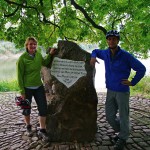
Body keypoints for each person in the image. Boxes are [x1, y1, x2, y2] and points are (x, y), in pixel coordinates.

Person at [90, 30, 146, 150]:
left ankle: (123, 138)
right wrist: (93, 57)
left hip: (122, 91)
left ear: (118, 40)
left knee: (123, 116)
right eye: (109, 39)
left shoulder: (126, 56)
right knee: (110, 116)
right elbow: (94, 51)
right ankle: (122, 132)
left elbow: (141, 68)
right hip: (110, 90)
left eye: (114, 39)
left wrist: (133, 82)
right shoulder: (105, 53)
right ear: (107, 41)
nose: (111, 41)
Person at [16, 37, 56, 141]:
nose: (33, 46)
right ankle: (28, 126)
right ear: (26, 45)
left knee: (43, 108)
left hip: (38, 86)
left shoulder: (38, 55)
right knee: (26, 109)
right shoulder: (22, 59)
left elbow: (46, 62)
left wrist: (50, 54)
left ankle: (42, 130)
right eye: (31, 44)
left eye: (34, 44)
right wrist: (22, 91)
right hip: (27, 88)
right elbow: (19, 76)